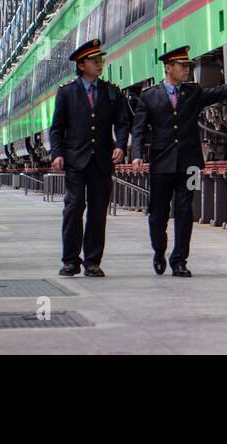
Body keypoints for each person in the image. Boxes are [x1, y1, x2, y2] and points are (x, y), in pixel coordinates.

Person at [130, 46, 227, 276]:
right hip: (161, 165)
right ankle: (159, 251)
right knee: (158, 213)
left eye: (187, 65)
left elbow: (219, 92)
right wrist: (136, 154)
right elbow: (139, 130)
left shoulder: (192, 92)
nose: (187, 69)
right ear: (168, 68)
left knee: (185, 210)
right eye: (182, 66)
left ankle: (180, 260)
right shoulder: (149, 96)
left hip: (191, 164)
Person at [48, 39, 130, 277]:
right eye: (95, 61)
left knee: (97, 212)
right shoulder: (66, 92)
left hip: (102, 162)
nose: (100, 64)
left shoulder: (112, 92)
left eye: (101, 60)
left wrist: (121, 145)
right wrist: (57, 153)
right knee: (73, 209)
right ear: (81, 65)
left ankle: (93, 261)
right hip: (75, 160)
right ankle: (70, 261)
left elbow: (122, 122)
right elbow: (57, 128)